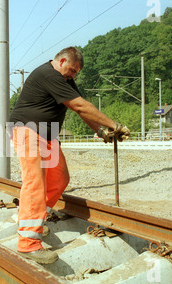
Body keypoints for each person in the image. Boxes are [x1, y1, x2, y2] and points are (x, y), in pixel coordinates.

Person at [8, 46, 130, 264]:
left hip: (47, 135)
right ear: (62, 61)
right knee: (35, 182)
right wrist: (114, 124)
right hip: (27, 130)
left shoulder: (65, 81)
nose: (74, 75)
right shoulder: (48, 74)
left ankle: (35, 219)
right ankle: (28, 244)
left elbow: (81, 110)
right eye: (73, 70)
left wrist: (101, 131)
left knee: (60, 179)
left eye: (76, 73)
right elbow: (80, 105)